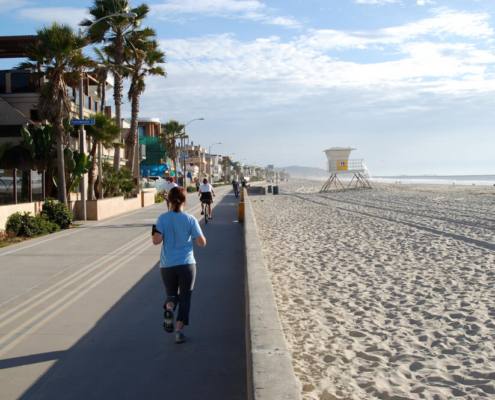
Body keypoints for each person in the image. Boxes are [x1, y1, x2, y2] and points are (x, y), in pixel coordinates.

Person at [152, 186, 206, 344]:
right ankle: (179, 332)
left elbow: (156, 241)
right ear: (184, 200)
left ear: (169, 200)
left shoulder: (162, 218)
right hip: (186, 264)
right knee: (185, 298)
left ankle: (169, 309)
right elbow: (202, 243)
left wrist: (156, 231)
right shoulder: (190, 219)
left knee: (171, 295)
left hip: (167, 265)